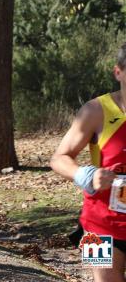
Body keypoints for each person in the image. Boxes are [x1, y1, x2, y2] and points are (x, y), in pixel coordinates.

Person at [50, 43, 126, 282]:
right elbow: (58, 158)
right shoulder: (95, 110)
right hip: (97, 223)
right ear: (118, 72)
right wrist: (87, 175)